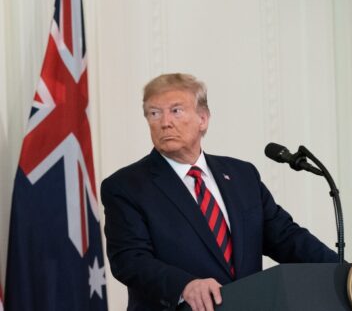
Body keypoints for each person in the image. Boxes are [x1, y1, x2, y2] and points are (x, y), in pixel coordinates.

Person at [101, 73, 339, 311]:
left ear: (202, 119)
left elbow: (286, 238)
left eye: (176, 111)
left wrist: (344, 272)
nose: (165, 122)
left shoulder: (242, 175)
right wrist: (184, 286)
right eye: (154, 113)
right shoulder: (126, 186)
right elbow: (129, 260)